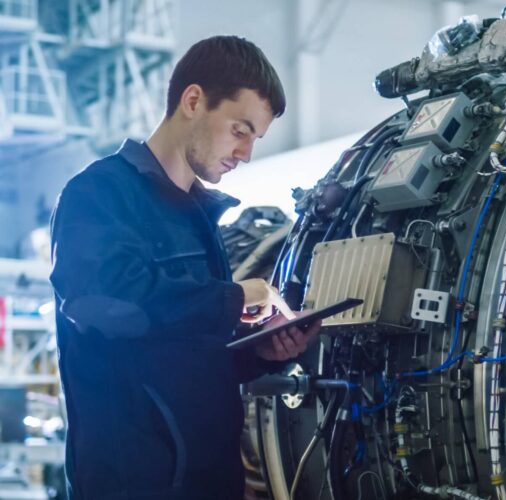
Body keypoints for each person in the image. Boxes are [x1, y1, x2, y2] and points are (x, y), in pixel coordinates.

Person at [49, 36, 320, 499]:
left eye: (255, 138)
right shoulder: (99, 193)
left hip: (209, 482)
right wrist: (237, 297)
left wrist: (260, 352)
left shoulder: (198, 217)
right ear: (193, 101)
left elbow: (185, 350)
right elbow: (106, 302)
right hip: (132, 484)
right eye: (240, 129)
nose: (246, 153)